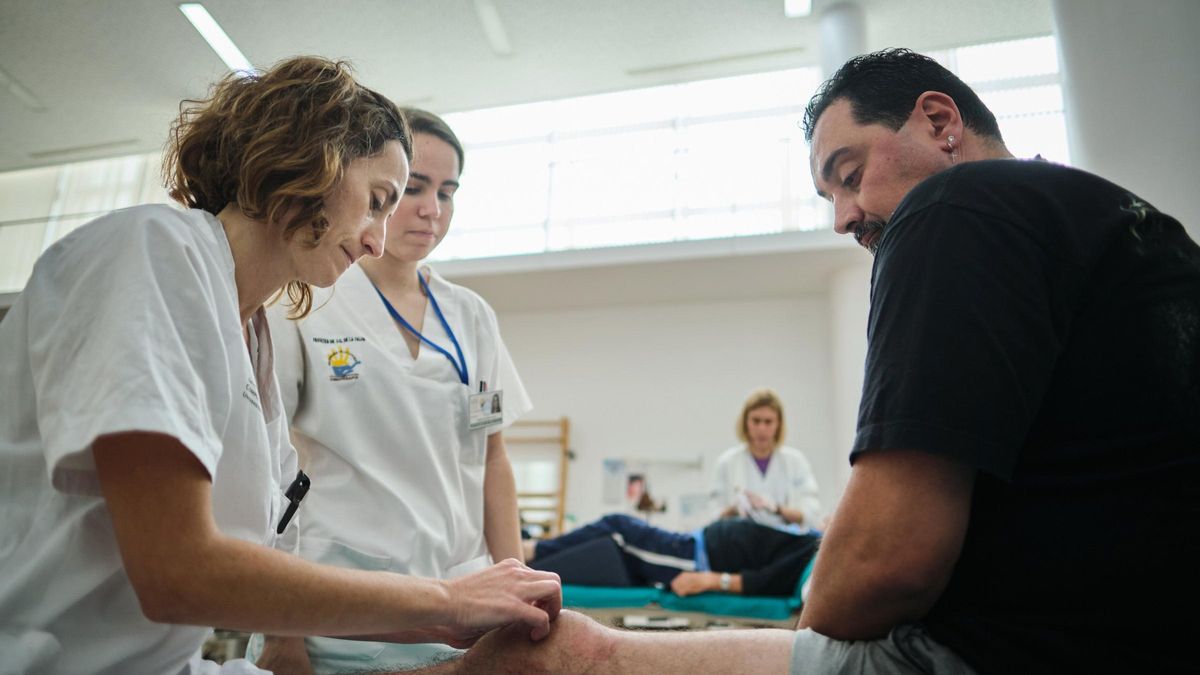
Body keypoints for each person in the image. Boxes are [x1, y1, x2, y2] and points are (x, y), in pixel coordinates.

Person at [383, 46, 1200, 675]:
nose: (845, 216)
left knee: (563, 654)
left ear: (940, 121)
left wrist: (798, 625)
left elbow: (882, 559)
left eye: (849, 176)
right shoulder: (1131, 227)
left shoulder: (955, 207)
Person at [0, 58, 560, 675]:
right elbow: (177, 572)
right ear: (312, 158)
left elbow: (248, 566)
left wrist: (463, 613)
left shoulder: (252, 337)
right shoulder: (154, 252)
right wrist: (448, 601)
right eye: (377, 201)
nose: (378, 239)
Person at [251, 108, 533, 674]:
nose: (433, 210)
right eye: (414, 188)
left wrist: (520, 591)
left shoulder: (471, 316)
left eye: (448, 193)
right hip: (342, 610)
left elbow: (493, 459)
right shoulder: (308, 296)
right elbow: (267, 471)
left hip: (464, 606)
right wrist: (282, 633)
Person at [526, 514, 819, 598]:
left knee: (620, 529)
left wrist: (708, 581)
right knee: (618, 548)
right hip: (696, 545)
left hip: (695, 559)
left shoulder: (815, 548)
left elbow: (768, 581)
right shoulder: (812, 540)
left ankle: (533, 551)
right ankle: (536, 559)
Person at [711, 388, 822, 530]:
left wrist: (776, 508)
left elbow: (811, 515)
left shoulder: (796, 462)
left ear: (778, 424)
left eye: (768, 422)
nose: (761, 428)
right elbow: (713, 519)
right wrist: (736, 508)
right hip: (740, 544)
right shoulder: (726, 463)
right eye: (756, 421)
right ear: (746, 423)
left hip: (785, 544)